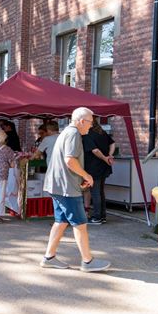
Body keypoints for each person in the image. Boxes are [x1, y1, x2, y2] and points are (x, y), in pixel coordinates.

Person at [40, 107, 111, 272]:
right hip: (66, 187)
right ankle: (87, 261)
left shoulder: (66, 132)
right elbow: (70, 160)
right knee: (80, 223)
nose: (91, 126)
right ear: (81, 121)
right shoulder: (73, 134)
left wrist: (80, 178)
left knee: (61, 221)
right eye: (90, 123)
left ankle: (49, 257)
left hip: (58, 185)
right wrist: (87, 176)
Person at [83, 119, 115, 225]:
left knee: (95, 192)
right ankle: (102, 216)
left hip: (93, 167)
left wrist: (105, 158)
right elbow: (113, 143)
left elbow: (95, 150)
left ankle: (96, 217)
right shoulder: (102, 132)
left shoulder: (87, 134)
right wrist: (109, 155)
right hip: (104, 167)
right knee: (101, 192)